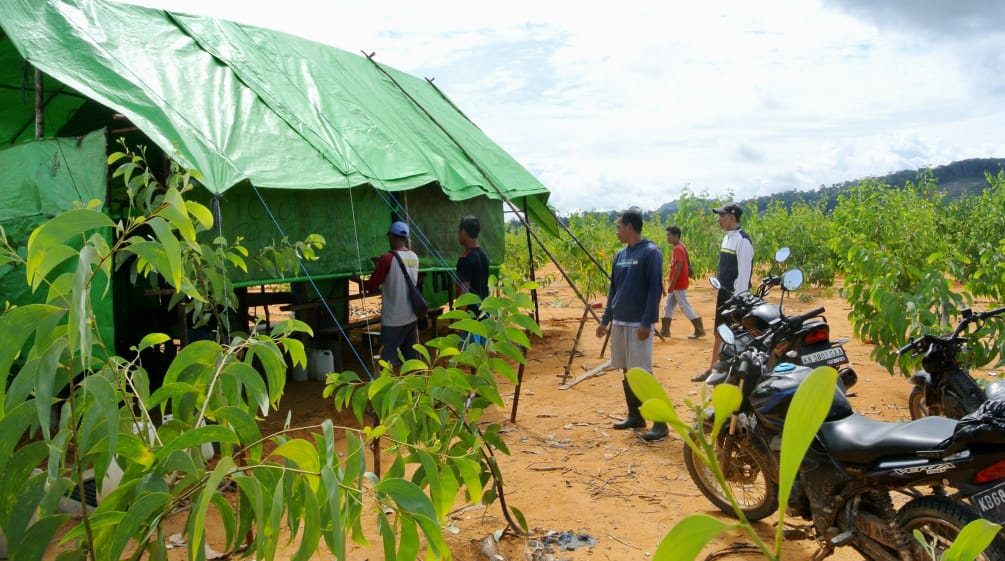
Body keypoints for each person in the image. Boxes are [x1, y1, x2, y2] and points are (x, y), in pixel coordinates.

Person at [595, 209, 667, 441]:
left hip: (639, 323)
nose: (616, 231)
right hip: (619, 321)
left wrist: (647, 322)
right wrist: (605, 320)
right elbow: (613, 289)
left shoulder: (650, 252)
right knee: (627, 369)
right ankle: (635, 415)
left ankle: (660, 422)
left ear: (629, 227)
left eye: (618, 227)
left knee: (642, 372)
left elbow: (655, 289)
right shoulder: (620, 255)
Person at [692, 202, 754, 382]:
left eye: (722, 216)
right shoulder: (727, 238)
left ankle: (731, 376)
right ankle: (713, 370)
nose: (719, 219)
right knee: (719, 333)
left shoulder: (743, 241)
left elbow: (744, 274)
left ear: (733, 217)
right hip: (724, 294)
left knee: (734, 336)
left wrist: (738, 300)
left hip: (736, 297)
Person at [349, 221, 421, 367]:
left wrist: (357, 280)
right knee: (412, 360)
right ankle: (416, 388)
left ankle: (387, 387)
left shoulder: (387, 259)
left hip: (393, 319)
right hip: (411, 317)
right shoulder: (414, 257)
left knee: (386, 361)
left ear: (392, 237)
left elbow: (372, 285)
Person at [660, 225, 705, 339]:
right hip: (678, 283)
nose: (667, 237)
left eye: (669, 235)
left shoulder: (678, 249)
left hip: (678, 284)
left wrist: (672, 284)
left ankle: (699, 329)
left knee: (684, 306)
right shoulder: (681, 247)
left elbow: (678, 267)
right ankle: (665, 330)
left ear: (676, 236)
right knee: (668, 306)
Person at [456, 215, 490, 345]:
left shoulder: (465, 259)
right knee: (480, 357)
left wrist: (460, 319)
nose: (458, 235)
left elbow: (464, 293)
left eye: (459, 231)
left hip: (470, 317)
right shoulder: (483, 256)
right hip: (483, 316)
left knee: (471, 358)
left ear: (464, 232)